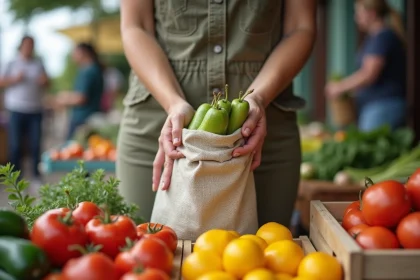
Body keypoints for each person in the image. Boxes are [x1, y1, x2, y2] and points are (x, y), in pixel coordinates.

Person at [118, 0, 317, 226]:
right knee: (147, 251)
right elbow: (136, 27)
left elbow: (301, 27)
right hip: (156, 124)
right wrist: (173, 103)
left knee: (262, 254)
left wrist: (258, 97)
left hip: (262, 130)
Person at [325, 0, 406, 132]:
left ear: (371, 13)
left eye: (359, 12)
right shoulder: (376, 38)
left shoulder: (383, 37)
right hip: (377, 107)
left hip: (382, 107)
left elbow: (369, 73)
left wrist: (340, 87)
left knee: (372, 148)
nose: (356, 17)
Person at [0, 35, 49, 184]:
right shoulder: (11, 62)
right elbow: (1, 82)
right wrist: (15, 79)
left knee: (35, 144)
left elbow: (47, 83)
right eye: (27, 45)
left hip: (35, 109)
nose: (29, 48)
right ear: (21, 46)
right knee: (15, 145)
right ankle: (16, 177)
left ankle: (35, 175)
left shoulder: (38, 64)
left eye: (31, 45)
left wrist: (44, 81)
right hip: (16, 108)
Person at [56, 43, 104, 140]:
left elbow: (81, 98)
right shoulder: (95, 69)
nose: (73, 56)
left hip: (82, 119)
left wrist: (64, 99)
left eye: (75, 52)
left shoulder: (87, 71)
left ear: (83, 53)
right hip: (92, 117)